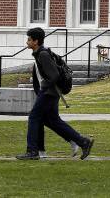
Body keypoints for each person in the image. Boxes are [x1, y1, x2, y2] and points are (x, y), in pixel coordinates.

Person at [16, 27, 94, 160]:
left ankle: (32, 151)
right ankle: (83, 142)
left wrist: (44, 87)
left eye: (29, 39)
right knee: (53, 120)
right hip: (50, 92)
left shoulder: (43, 54)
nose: (27, 42)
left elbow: (54, 75)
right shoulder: (40, 53)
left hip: (48, 92)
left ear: (36, 41)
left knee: (34, 117)